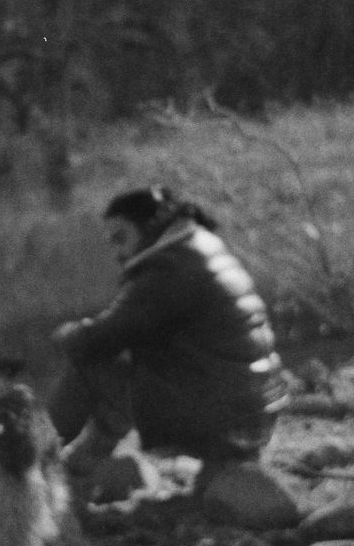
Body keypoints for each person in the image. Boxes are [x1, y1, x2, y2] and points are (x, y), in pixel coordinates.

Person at [48, 185, 288, 494]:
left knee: (92, 363)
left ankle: (38, 460)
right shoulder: (199, 245)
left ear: (149, 227)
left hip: (224, 419)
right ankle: (83, 461)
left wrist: (65, 335)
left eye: (121, 238)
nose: (118, 252)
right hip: (252, 413)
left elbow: (100, 338)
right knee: (127, 363)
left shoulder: (167, 267)